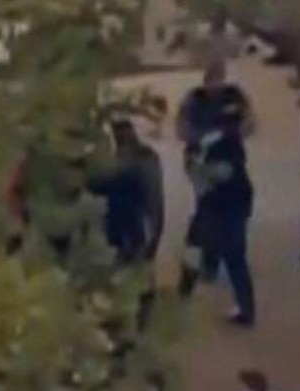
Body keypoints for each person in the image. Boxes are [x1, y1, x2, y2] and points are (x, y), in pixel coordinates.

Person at [183, 106, 257, 326]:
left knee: (206, 248)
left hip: (222, 204)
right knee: (211, 249)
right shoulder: (224, 144)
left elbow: (219, 172)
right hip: (224, 203)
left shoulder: (223, 145)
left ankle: (185, 292)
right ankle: (245, 307)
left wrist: (199, 171)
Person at [96, 116, 166, 283]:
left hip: (131, 228)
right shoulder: (109, 161)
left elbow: (154, 198)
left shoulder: (142, 159)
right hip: (122, 228)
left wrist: (155, 233)